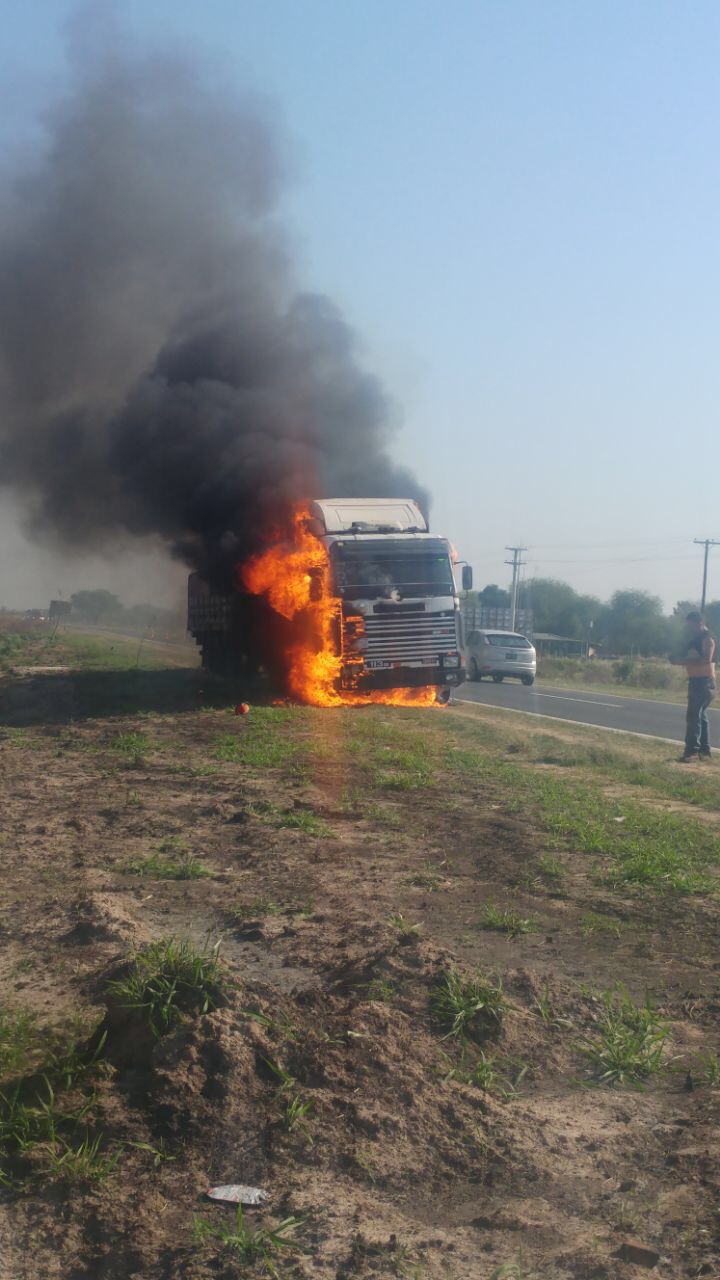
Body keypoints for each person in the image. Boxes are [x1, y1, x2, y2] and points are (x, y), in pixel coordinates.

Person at [670, 611, 717, 762]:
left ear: (700, 623)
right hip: (698, 681)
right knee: (700, 717)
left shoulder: (707, 639)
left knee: (693, 716)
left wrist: (681, 661)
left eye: (692, 626)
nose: (690, 629)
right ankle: (704, 751)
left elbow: (705, 660)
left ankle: (692, 752)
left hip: (704, 682)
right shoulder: (696, 639)